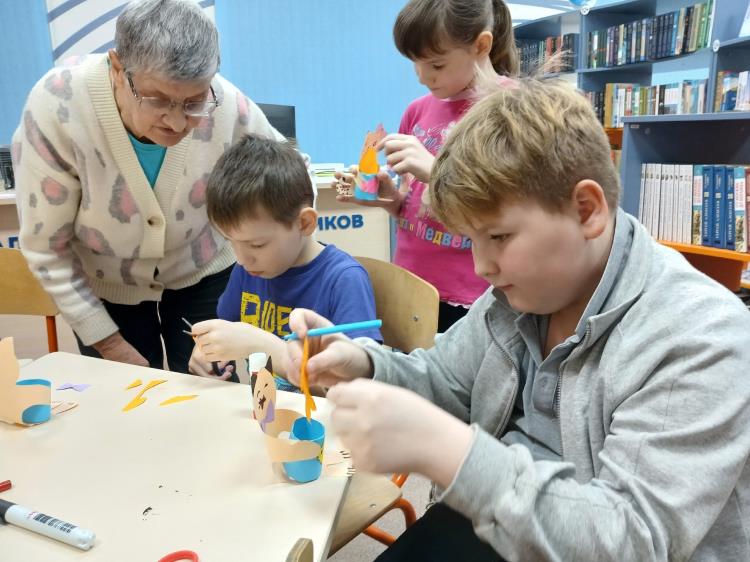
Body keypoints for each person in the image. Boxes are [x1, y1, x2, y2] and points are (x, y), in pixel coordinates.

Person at [285, 79, 750, 561]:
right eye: (472, 240)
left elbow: (631, 539)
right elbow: (446, 379)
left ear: (586, 210)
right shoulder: (522, 294)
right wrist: (365, 364)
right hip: (504, 518)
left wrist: (448, 450)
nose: (481, 267)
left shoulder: (699, 336)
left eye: (499, 237)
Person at [11, 0, 287, 374]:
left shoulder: (225, 103)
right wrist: (108, 343)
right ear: (117, 69)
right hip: (105, 283)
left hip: (202, 270)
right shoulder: (56, 106)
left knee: (209, 385)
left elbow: (291, 174)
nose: (177, 122)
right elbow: (46, 248)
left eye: (193, 102)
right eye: (158, 100)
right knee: (125, 391)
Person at [335, 0, 518, 332]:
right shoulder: (417, 111)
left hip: (474, 295)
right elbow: (412, 209)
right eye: (415, 64)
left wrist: (437, 171)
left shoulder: (511, 108)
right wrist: (387, 197)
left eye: (436, 64)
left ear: (481, 45)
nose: (422, 77)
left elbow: (513, 207)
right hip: (413, 283)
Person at [188, 134, 381, 390]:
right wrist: (208, 352)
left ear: (304, 223)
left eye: (257, 245)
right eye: (230, 242)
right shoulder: (248, 270)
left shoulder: (344, 280)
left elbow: (358, 386)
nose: (242, 259)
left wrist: (263, 345)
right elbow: (226, 328)